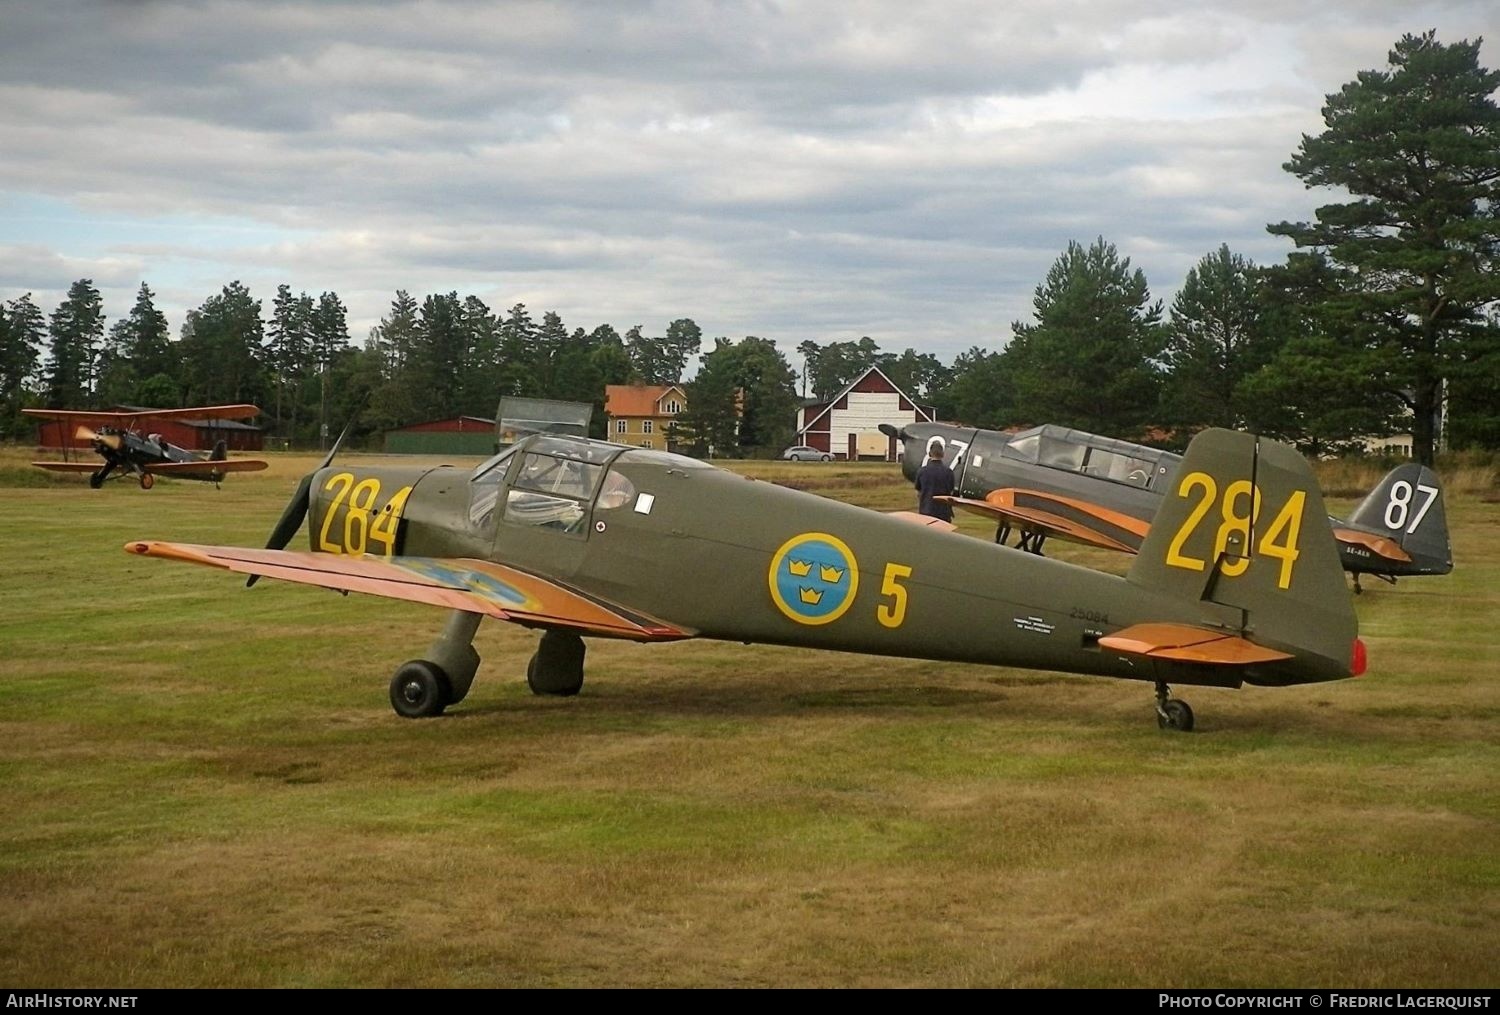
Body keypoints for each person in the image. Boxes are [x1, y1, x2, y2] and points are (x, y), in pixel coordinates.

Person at [915, 442, 955, 521]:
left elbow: (918, 491)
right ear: (942, 454)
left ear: (929, 454)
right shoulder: (949, 472)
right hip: (944, 513)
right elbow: (951, 491)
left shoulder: (922, 471)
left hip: (926, 511)